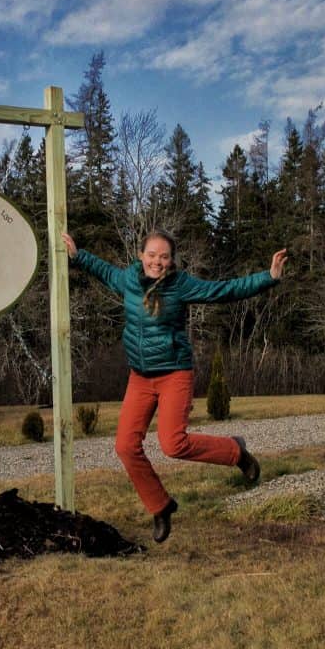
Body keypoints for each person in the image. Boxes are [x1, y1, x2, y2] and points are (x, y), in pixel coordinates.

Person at [62, 230, 287, 543]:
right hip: (140, 376)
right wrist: (78, 256)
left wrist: (269, 276)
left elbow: (224, 290)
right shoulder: (127, 280)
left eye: (164, 256)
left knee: (173, 444)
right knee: (125, 446)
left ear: (171, 261)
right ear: (141, 256)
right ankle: (160, 505)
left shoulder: (180, 285)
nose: (158, 261)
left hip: (174, 373)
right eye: (152, 255)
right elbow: (103, 271)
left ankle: (236, 452)